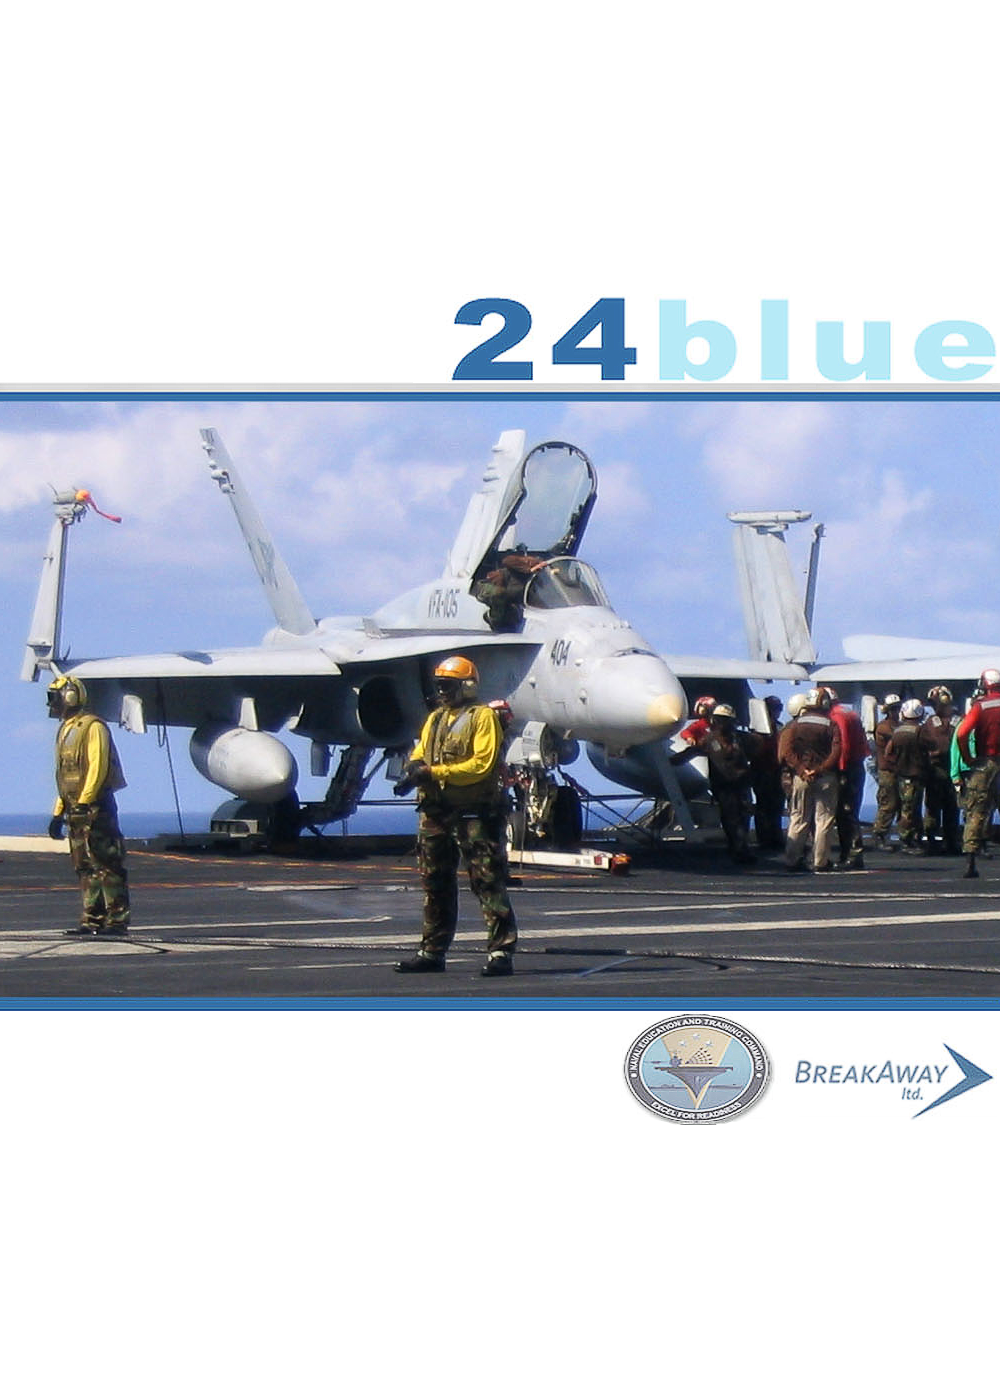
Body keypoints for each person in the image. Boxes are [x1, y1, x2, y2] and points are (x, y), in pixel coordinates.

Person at [395, 656, 518, 976]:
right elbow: (421, 751)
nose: (442, 692)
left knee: (487, 882)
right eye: (439, 686)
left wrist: (433, 773)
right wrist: (414, 767)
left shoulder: (483, 718)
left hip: (474, 815)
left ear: (467, 686)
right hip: (436, 814)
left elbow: (481, 766)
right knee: (434, 883)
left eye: (447, 686)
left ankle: (501, 952)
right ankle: (432, 951)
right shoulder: (435, 718)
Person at [46, 673, 130, 937]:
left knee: (107, 863)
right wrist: (58, 812)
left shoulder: (93, 727)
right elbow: (64, 776)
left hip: (96, 808)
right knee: (84, 866)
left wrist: (85, 801)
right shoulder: (66, 730)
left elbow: (97, 766)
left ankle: (116, 920)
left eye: (54, 697)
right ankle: (92, 919)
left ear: (69, 697)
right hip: (75, 808)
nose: (52, 703)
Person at [778, 688, 842, 873]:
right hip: (825, 777)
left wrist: (801, 770)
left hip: (801, 777)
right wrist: (819, 769)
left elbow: (787, 751)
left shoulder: (795, 725)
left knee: (798, 818)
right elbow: (836, 752)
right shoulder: (831, 725)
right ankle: (820, 861)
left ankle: (791, 859)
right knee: (824, 820)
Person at [956, 668, 1000, 879]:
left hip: (985, 764)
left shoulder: (981, 706)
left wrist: (968, 759)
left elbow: (962, 733)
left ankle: (970, 862)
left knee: (975, 812)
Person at [703, 704, 755, 864]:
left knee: (741, 816)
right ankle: (738, 849)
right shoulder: (709, 740)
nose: (723, 724)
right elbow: (695, 750)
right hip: (724, 786)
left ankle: (739, 847)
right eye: (721, 720)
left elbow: (755, 748)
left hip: (740, 784)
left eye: (726, 720)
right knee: (731, 818)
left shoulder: (740, 738)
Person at [824, 688, 868, 869]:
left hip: (846, 769)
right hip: (856, 767)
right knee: (849, 813)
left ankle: (852, 854)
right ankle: (848, 854)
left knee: (846, 812)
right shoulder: (850, 713)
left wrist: (841, 769)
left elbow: (844, 745)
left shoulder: (836, 717)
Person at [886, 699, 933, 852]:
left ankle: (912, 837)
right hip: (916, 775)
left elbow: (888, 753)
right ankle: (907, 839)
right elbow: (931, 747)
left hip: (902, 775)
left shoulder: (897, 731)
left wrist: (897, 765)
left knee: (907, 807)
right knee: (911, 809)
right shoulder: (920, 731)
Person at [920, 686, 961, 853]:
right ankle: (933, 840)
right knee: (934, 807)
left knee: (951, 807)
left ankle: (950, 841)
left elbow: (944, 745)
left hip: (950, 769)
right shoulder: (931, 722)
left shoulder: (956, 720)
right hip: (936, 771)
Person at [748, 695, 786, 850]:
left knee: (776, 806)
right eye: (775, 708)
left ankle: (775, 836)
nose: (777, 712)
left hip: (776, 771)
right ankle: (764, 838)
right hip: (762, 771)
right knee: (764, 806)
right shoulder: (757, 730)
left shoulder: (780, 728)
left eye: (779, 708)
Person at [870, 694, 903, 850]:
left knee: (902, 803)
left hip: (899, 769)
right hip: (887, 770)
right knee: (888, 803)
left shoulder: (898, 726)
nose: (896, 711)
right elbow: (897, 737)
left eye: (898, 708)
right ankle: (880, 834)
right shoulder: (883, 727)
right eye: (894, 709)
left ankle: (904, 835)